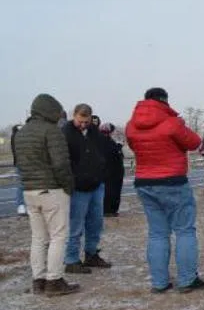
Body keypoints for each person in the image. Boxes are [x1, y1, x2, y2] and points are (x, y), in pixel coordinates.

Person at [126, 87, 204, 294]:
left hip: (144, 182)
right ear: (164, 101)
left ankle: (159, 282)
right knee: (184, 231)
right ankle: (187, 279)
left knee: (157, 234)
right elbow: (194, 142)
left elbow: (134, 146)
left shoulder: (131, 126)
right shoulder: (172, 123)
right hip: (173, 182)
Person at [15, 94, 80, 296]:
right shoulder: (52, 131)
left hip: (29, 191)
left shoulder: (21, 133)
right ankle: (54, 280)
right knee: (59, 236)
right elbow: (61, 164)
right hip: (52, 190)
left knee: (38, 238)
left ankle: (39, 280)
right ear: (50, 111)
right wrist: (69, 186)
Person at [62, 104, 112, 274]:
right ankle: (71, 259)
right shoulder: (66, 133)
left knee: (95, 223)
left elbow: (100, 152)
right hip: (78, 188)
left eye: (86, 121)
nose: (83, 125)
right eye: (80, 121)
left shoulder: (94, 131)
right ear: (73, 116)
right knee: (76, 225)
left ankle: (91, 254)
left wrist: (101, 169)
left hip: (96, 184)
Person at [100, 123, 125, 218]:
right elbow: (115, 155)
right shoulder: (109, 142)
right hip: (113, 173)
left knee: (107, 191)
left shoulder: (100, 141)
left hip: (106, 172)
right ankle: (110, 210)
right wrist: (119, 147)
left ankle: (107, 210)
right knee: (112, 191)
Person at [11, 124, 27, 216]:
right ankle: (21, 204)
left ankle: (21, 205)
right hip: (21, 162)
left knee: (22, 184)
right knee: (22, 184)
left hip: (19, 162)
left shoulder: (15, 136)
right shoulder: (18, 136)